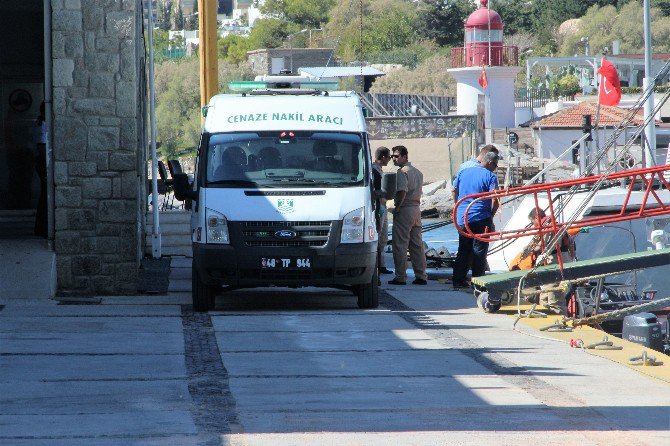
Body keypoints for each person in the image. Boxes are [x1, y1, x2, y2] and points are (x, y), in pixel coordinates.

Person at [452, 151, 500, 288]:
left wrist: (457, 207)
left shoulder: (464, 172)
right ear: (490, 163)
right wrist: (490, 216)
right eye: (495, 165)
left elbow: (454, 190)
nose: (495, 168)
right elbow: (495, 199)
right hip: (480, 217)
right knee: (479, 252)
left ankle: (458, 280)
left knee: (463, 249)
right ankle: (478, 284)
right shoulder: (490, 176)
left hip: (463, 217)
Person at [389, 145, 428, 286]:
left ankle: (400, 276)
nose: (394, 158)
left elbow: (401, 191)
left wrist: (397, 207)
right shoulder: (418, 172)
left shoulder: (402, 172)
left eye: (397, 156)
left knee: (400, 244)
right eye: (393, 156)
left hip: (405, 209)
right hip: (416, 210)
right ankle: (421, 275)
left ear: (405, 157)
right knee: (416, 245)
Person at [526, 208, 576, 315]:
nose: (534, 225)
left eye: (533, 222)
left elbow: (545, 245)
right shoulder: (555, 225)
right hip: (563, 258)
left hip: (556, 260)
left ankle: (560, 316)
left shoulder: (549, 227)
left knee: (553, 293)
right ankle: (547, 313)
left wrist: (531, 250)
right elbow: (571, 242)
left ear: (536, 217)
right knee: (545, 293)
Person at [372, 146, 393, 275]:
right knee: (379, 236)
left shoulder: (378, 170)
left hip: (382, 206)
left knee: (383, 238)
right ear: (383, 157)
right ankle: (379, 266)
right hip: (379, 207)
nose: (390, 160)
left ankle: (381, 264)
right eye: (389, 157)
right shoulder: (374, 171)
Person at [34, 102, 48, 237]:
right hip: (43, 162)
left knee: (44, 194)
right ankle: (41, 228)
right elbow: (42, 146)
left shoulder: (41, 123)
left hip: (41, 162)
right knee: (45, 195)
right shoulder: (42, 124)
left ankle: (41, 227)